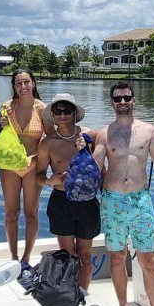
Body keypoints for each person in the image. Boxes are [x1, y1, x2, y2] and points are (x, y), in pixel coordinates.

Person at [93, 82, 154, 306]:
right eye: (117, 99)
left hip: (140, 201)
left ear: (134, 100)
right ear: (111, 102)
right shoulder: (104, 134)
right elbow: (93, 166)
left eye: (126, 98)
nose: (122, 102)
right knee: (117, 257)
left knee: (149, 262)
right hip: (111, 201)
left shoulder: (148, 131)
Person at [34, 93, 99, 289]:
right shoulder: (47, 143)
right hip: (60, 200)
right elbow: (38, 176)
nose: (62, 115)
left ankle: (83, 293)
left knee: (85, 254)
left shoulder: (90, 135)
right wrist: (48, 181)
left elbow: (102, 166)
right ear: (52, 115)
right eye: (58, 111)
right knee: (68, 253)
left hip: (87, 202)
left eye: (67, 110)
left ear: (74, 113)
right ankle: (70, 294)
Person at [0, 69, 49, 271]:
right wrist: (2, 125)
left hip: (33, 164)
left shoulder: (42, 108)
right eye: (19, 83)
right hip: (10, 165)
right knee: (11, 212)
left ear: (33, 83)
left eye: (26, 82)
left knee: (31, 214)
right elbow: (0, 140)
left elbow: (51, 139)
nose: (23, 87)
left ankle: (26, 258)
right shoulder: (6, 107)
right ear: (14, 86)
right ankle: (13, 256)